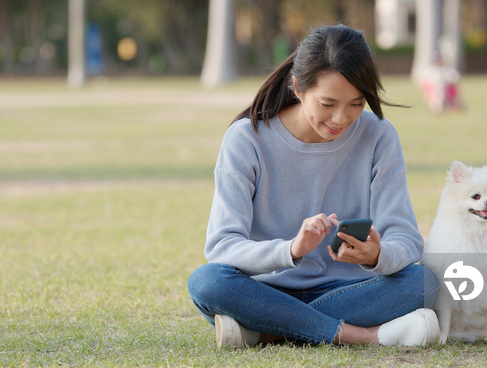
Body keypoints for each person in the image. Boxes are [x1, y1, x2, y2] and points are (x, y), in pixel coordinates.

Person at [187, 24, 439, 348]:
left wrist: (377, 255)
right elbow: (222, 245)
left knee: (423, 282)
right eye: (327, 103)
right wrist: (290, 250)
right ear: (297, 87)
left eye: (356, 104)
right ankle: (361, 336)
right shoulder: (246, 139)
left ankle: (266, 330)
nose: (341, 118)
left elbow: (405, 238)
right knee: (207, 282)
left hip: (349, 291)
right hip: (266, 288)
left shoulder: (379, 136)